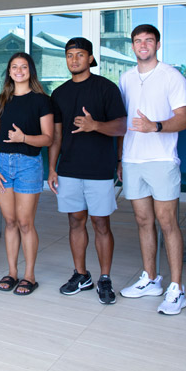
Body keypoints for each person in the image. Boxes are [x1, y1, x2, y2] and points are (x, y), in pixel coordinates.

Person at [116, 24, 186, 315]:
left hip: (161, 159)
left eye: (148, 40)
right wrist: (121, 157)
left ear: (157, 44)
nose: (143, 45)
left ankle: (177, 287)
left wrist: (155, 126)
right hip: (133, 160)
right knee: (143, 220)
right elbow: (122, 123)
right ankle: (151, 279)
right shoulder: (126, 77)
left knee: (167, 221)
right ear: (132, 46)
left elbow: (183, 119)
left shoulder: (171, 76)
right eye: (138, 41)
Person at [47, 37, 127, 304]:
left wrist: (95, 126)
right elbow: (56, 136)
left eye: (80, 55)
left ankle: (105, 278)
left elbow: (121, 128)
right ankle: (81, 274)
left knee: (101, 223)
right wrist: (52, 168)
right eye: (70, 55)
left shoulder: (106, 88)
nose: (74, 59)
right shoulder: (59, 93)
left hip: (99, 169)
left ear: (91, 58)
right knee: (75, 221)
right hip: (69, 168)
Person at [0, 52, 53, 296]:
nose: (18, 70)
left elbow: (48, 138)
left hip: (28, 163)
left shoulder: (41, 101)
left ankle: (29, 275)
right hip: (2, 165)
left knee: (25, 223)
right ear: (9, 71)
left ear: (30, 71)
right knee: (11, 221)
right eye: (14, 67)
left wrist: (23, 138)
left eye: (23, 67)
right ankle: (12, 271)